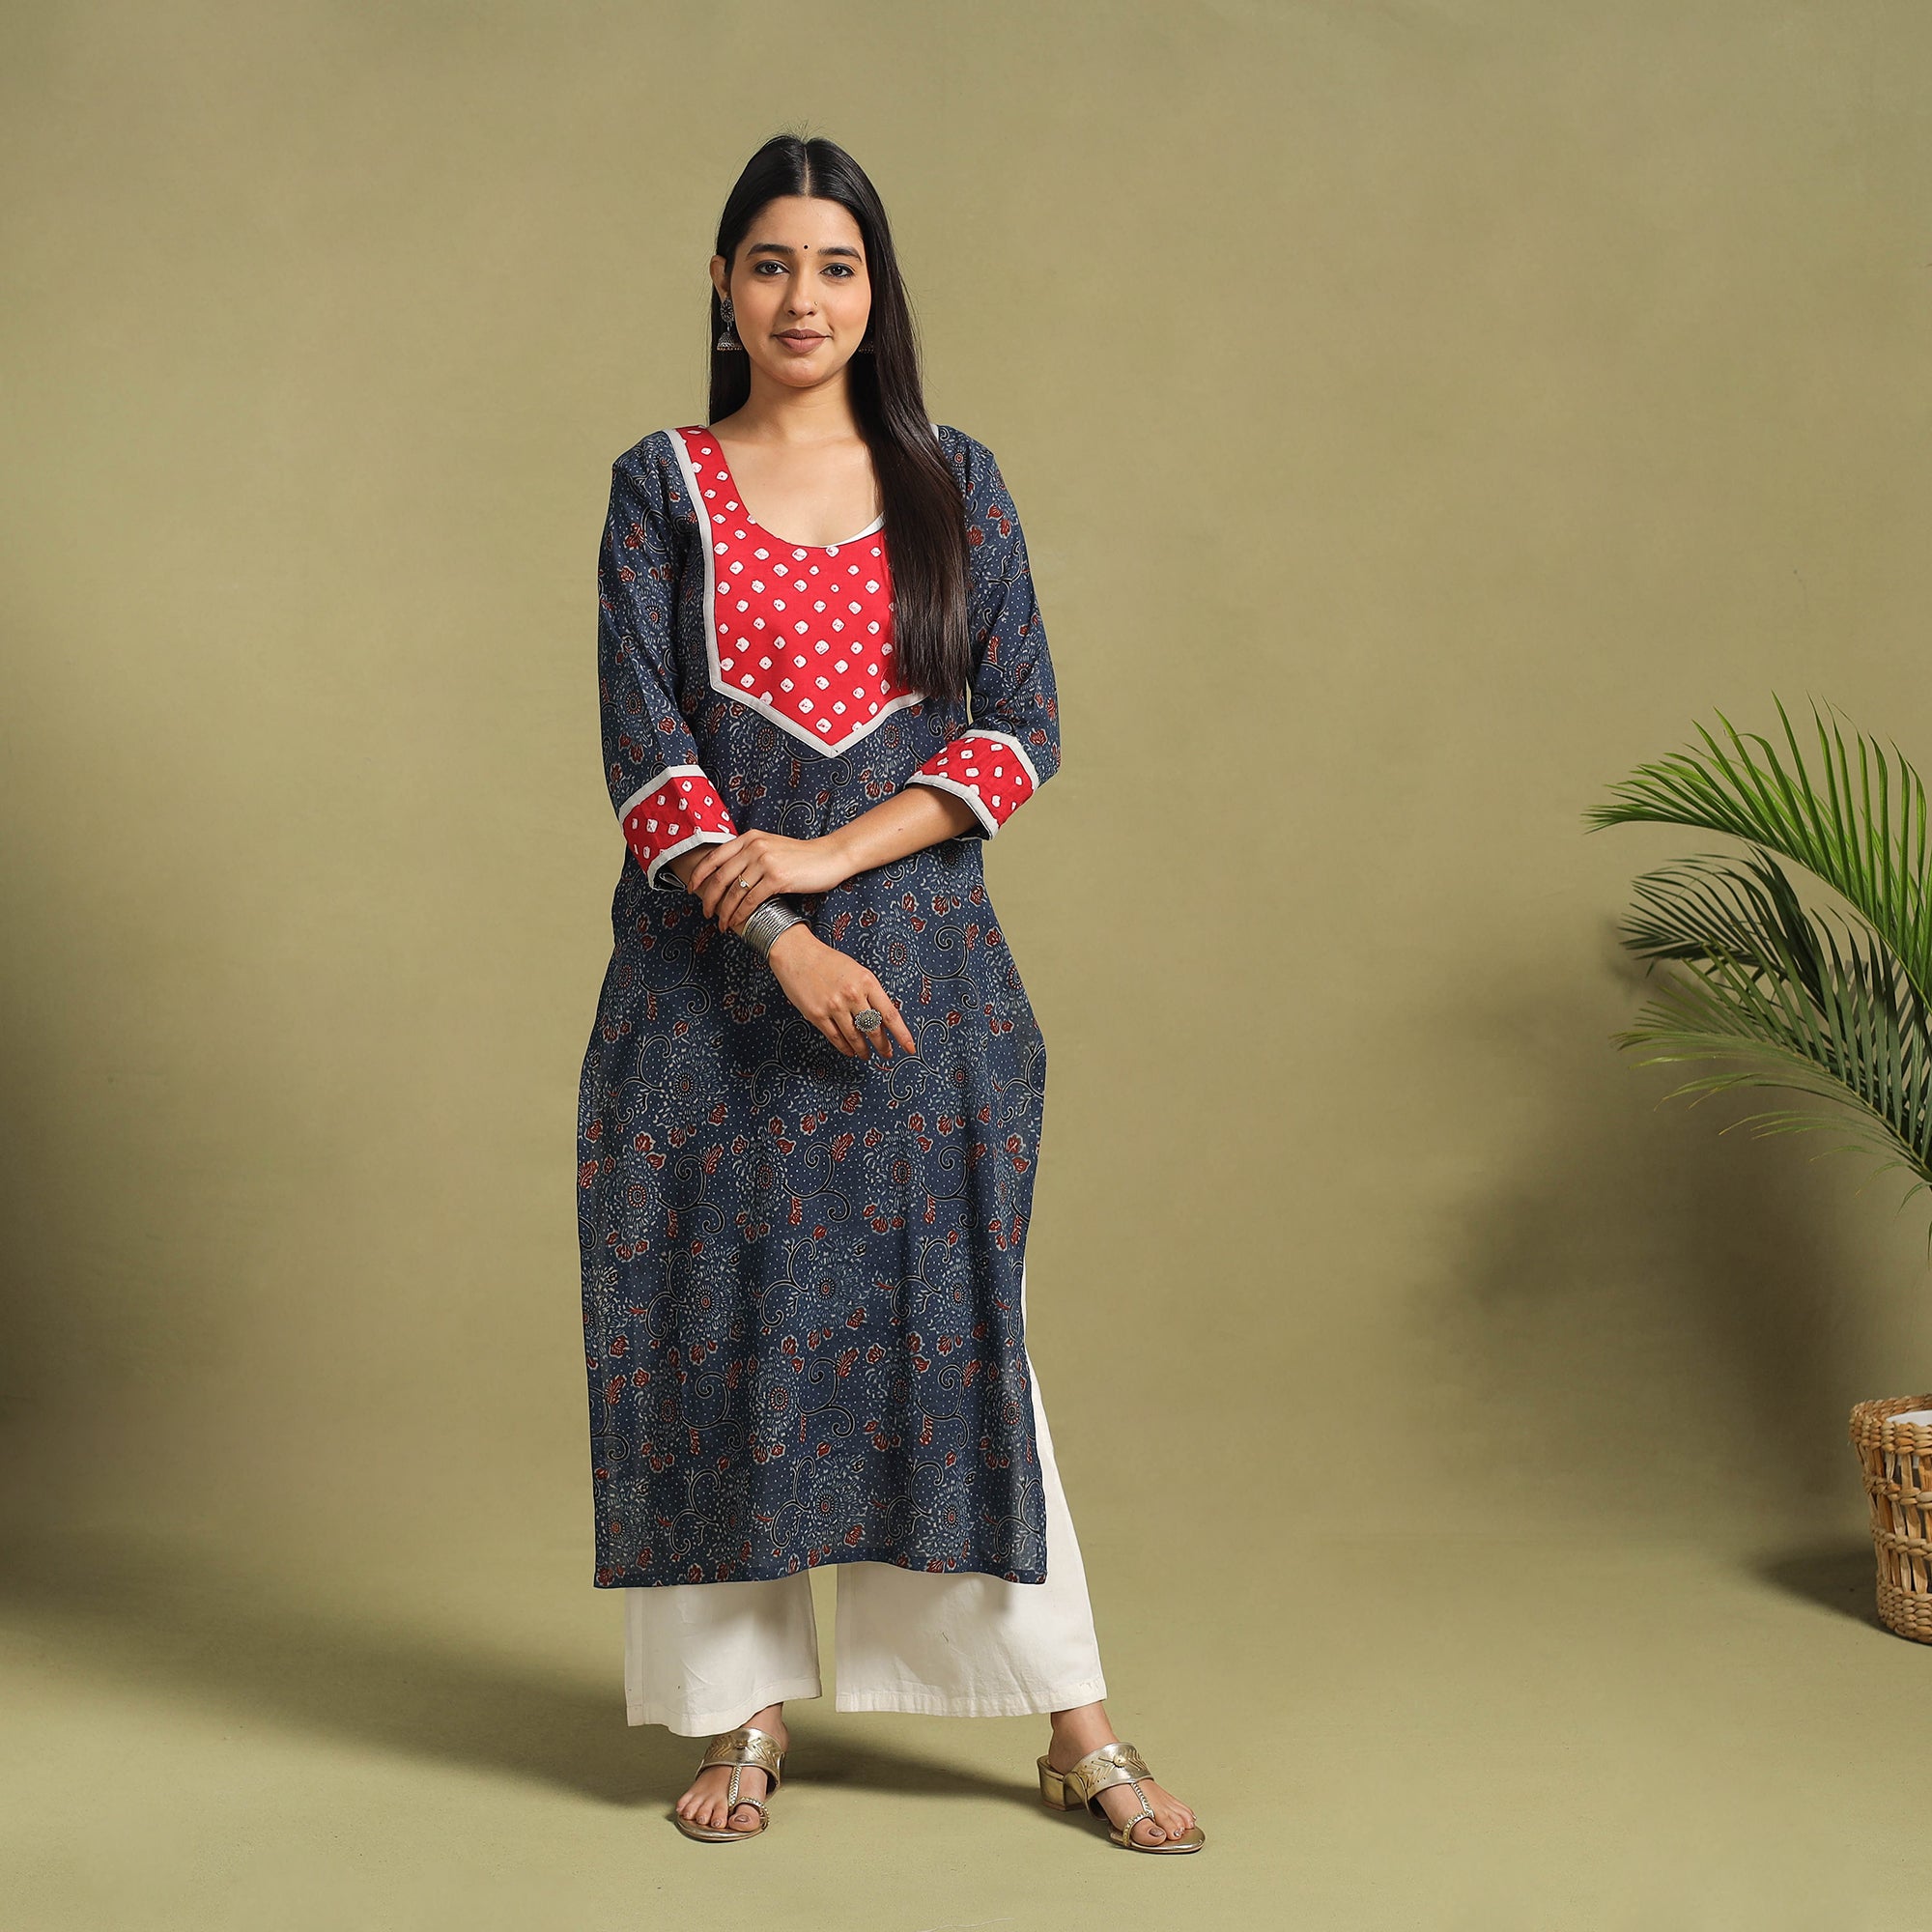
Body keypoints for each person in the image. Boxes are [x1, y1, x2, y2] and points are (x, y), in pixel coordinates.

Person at [575, 131, 1205, 1856]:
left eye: (837, 266)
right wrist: (778, 935)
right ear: (723, 285)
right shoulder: (661, 486)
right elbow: (648, 759)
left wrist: (834, 861)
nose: (805, 298)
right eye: (771, 262)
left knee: (959, 1331)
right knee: (719, 1325)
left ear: (878, 290)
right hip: (709, 988)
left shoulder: (953, 484)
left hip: (922, 984)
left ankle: (1074, 1727)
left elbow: (1022, 731)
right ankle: (742, 1713)